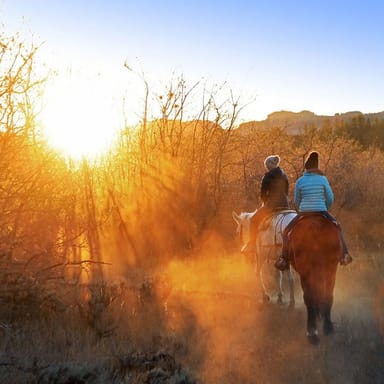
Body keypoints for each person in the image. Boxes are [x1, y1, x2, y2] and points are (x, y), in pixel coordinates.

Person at [274, 151, 353, 271]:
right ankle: (344, 255)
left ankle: (284, 259)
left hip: (304, 212)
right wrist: (324, 207)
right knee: (337, 227)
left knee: (286, 232)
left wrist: (302, 209)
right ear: (316, 167)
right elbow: (330, 198)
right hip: (321, 211)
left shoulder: (300, 181)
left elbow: (296, 200)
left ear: (306, 168)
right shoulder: (323, 179)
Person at [242, 155, 290, 253]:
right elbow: (286, 190)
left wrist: (265, 202)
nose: (266, 167)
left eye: (266, 165)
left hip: (272, 206)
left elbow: (263, 193)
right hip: (285, 205)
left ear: (269, 165)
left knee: (253, 220)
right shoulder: (284, 175)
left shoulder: (267, 176)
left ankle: (252, 244)